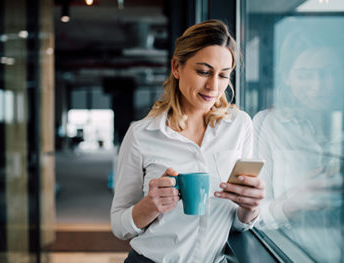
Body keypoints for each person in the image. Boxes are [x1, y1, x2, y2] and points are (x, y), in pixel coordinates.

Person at [110, 19, 265, 263]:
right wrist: (149, 206)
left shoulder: (239, 125)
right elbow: (119, 226)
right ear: (176, 67)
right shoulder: (142, 134)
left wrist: (250, 208)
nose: (214, 86)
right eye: (203, 71)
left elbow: (237, 222)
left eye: (223, 75)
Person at [253, 18, 344, 262]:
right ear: (287, 78)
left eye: (329, 73)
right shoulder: (267, 125)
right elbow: (252, 214)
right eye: (305, 75)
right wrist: (295, 202)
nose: (318, 86)